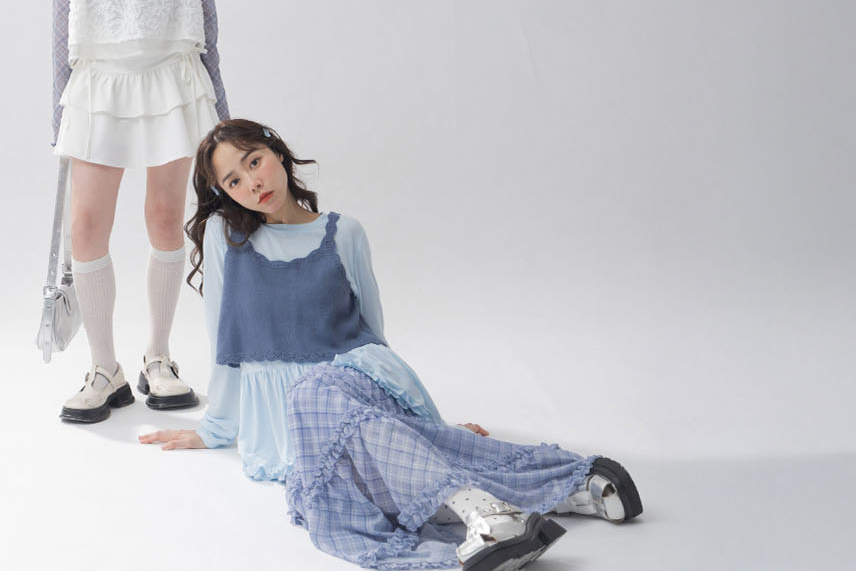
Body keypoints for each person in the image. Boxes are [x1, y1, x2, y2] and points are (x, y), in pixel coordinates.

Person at [138, 119, 643, 569]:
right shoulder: (227, 237)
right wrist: (216, 428)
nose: (252, 182)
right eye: (233, 181)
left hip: (350, 385)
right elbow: (226, 339)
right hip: (292, 425)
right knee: (373, 485)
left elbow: (374, 346)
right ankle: (575, 492)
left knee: (318, 394)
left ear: (277, 152)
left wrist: (425, 421)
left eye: (254, 162)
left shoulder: (344, 233)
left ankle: (487, 513)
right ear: (225, 194)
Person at [51, 0, 231, 422]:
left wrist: (222, 114)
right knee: (86, 226)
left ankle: (159, 355)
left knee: (163, 217)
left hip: (172, 79)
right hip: (100, 81)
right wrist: (57, 107)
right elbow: (60, 13)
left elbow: (206, 11)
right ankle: (105, 368)